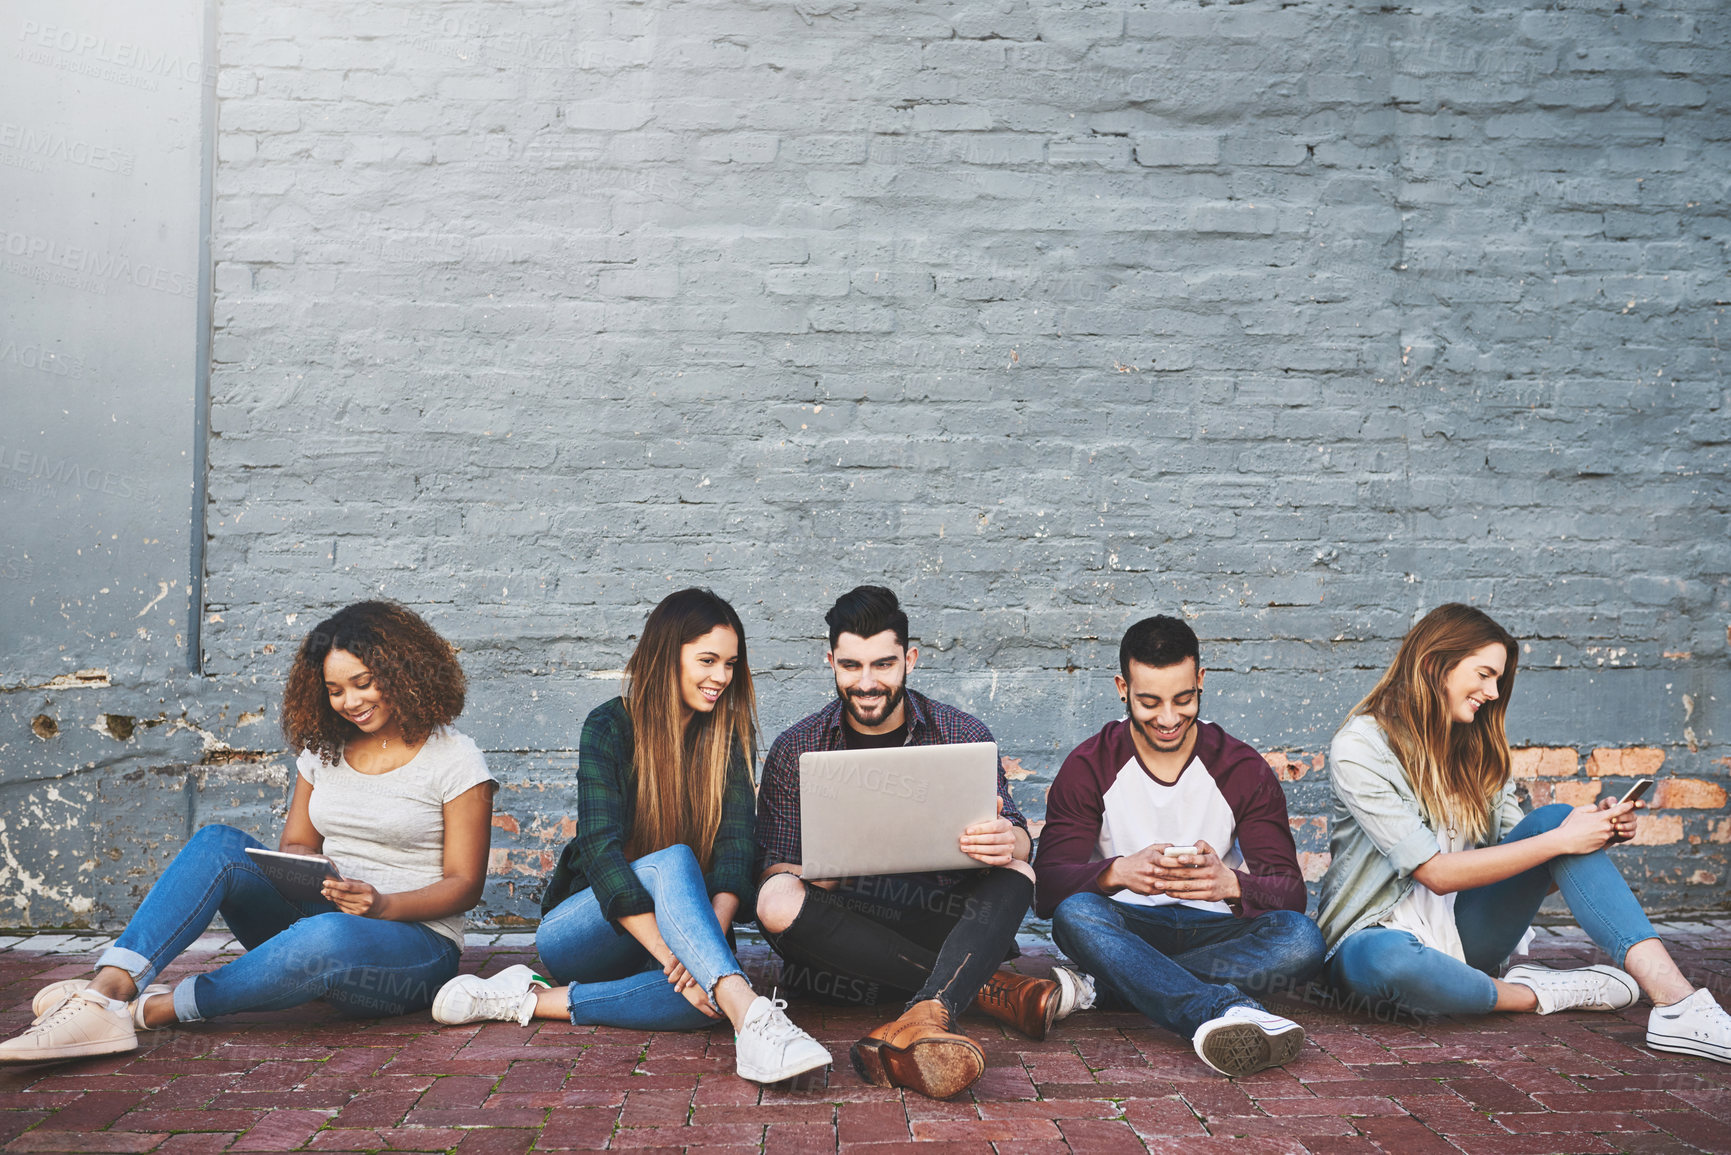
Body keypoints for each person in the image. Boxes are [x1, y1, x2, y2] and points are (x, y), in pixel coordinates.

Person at [1, 601, 495, 1064]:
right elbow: (298, 843)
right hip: (323, 916)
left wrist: (382, 905)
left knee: (328, 933)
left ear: (402, 673)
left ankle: (148, 1012)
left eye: (363, 683)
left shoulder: (455, 759)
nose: (349, 702)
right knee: (219, 843)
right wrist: (313, 873)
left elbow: (464, 885)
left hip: (412, 951)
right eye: (334, 690)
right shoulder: (323, 750)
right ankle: (105, 992)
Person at [431, 588, 831, 1085]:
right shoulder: (608, 727)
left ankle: (524, 999)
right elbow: (600, 854)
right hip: (584, 930)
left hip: (683, 931)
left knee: (702, 1005)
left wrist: (700, 961)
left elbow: (735, 851)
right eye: (707, 660)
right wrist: (677, 956)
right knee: (675, 863)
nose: (721, 678)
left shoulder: (727, 735)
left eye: (730, 663)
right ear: (667, 656)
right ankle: (753, 1014)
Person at [1318, 603, 1731, 1062]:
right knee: (1389, 962)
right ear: (1436, 664)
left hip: (1466, 935)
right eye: (1484, 674)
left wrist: (1589, 837)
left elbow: (1538, 866)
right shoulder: (1362, 745)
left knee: (1556, 819)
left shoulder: (1478, 748)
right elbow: (1433, 873)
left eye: (1499, 680)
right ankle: (1536, 991)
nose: (1494, 692)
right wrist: (1561, 842)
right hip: (1372, 938)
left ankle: (1678, 1004)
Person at [753, 585, 1071, 1100]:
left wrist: (1004, 840)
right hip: (844, 939)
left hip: (936, 920)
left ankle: (919, 1019)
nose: (868, 683)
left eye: (883, 664)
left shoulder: (960, 733)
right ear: (831, 661)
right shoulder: (797, 747)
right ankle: (979, 992)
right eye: (852, 666)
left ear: (910, 659)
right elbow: (767, 872)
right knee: (775, 898)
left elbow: (1019, 840)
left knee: (1019, 872)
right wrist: (812, 871)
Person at [1035, 614, 1325, 1078]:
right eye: (1149, 702)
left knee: (1301, 940)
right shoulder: (1090, 764)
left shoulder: (1242, 768)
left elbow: (1291, 894)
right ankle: (1220, 1007)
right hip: (1126, 928)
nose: (1168, 718)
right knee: (1076, 917)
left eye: (1183, 699)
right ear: (1122, 688)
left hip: (1214, 931)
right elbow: (1047, 890)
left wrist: (1231, 885)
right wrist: (1116, 873)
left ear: (1201, 681)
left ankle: (1112, 986)